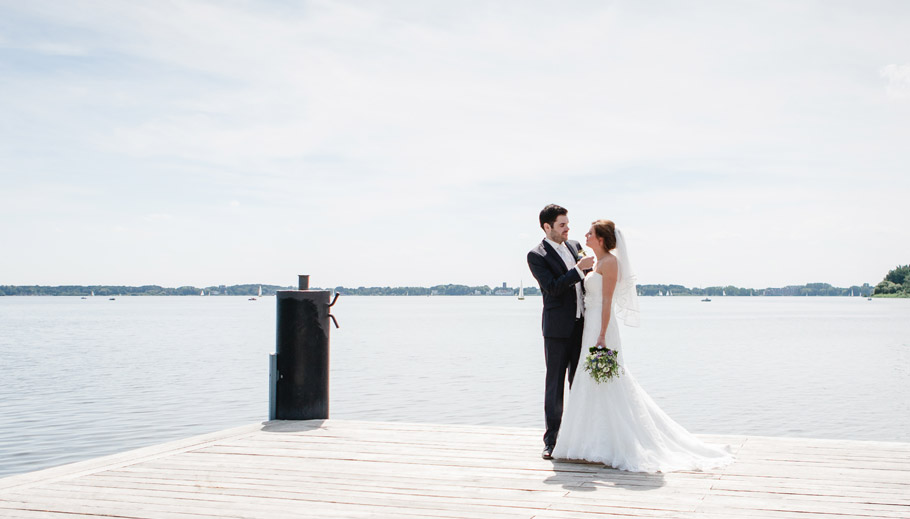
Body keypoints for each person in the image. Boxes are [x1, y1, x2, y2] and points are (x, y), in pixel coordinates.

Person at [552, 219, 734, 472]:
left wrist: (602, 335)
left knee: (607, 380)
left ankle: (610, 443)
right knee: (590, 380)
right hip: (589, 326)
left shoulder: (611, 263)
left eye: (591, 233)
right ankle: (587, 443)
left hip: (601, 327)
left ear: (601, 239)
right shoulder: (595, 263)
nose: (586, 235)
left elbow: (607, 302)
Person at [527, 204, 595, 460]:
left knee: (579, 383)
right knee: (554, 384)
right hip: (556, 330)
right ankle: (552, 440)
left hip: (581, 326)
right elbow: (553, 288)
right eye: (562, 225)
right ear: (547, 227)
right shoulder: (536, 255)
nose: (568, 229)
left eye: (568, 224)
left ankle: (580, 435)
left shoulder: (575, 246)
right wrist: (578, 270)